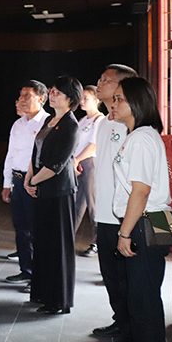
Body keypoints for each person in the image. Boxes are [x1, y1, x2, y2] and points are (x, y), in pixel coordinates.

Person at [110, 77, 171, 342]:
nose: (113, 104)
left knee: (142, 297)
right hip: (155, 218)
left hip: (147, 220)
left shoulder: (142, 138)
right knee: (144, 292)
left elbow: (141, 191)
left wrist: (124, 233)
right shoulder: (141, 135)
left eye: (119, 98)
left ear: (137, 103)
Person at [90, 64, 138, 342]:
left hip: (123, 214)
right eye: (100, 78)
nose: (99, 83)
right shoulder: (104, 122)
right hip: (105, 212)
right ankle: (120, 321)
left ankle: (133, 331)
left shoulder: (130, 123)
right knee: (110, 274)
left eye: (106, 80)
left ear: (124, 85)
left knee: (126, 277)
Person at [25, 75, 82, 315]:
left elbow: (57, 164)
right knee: (43, 243)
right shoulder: (50, 119)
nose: (52, 94)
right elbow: (35, 152)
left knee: (58, 246)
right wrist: (29, 178)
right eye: (52, 90)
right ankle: (42, 293)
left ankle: (59, 300)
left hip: (59, 191)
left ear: (70, 98)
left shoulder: (71, 125)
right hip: (41, 187)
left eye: (58, 92)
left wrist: (34, 181)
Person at [2, 81, 49, 284]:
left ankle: (40, 275)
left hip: (36, 182)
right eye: (20, 96)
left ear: (41, 98)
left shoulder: (48, 122)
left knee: (37, 230)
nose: (21, 100)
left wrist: (35, 180)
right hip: (18, 180)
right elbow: (10, 155)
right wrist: (7, 183)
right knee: (21, 228)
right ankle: (26, 270)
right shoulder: (18, 124)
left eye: (27, 96)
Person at [74, 85, 104, 256]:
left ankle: (98, 242)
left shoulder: (99, 120)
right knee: (77, 203)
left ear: (96, 100)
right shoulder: (83, 120)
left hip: (90, 163)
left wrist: (77, 159)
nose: (82, 101)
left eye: (86, 98)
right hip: (78, 164)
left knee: (93, 204)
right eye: (81, 97)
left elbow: (93, 146)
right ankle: (67, 237)